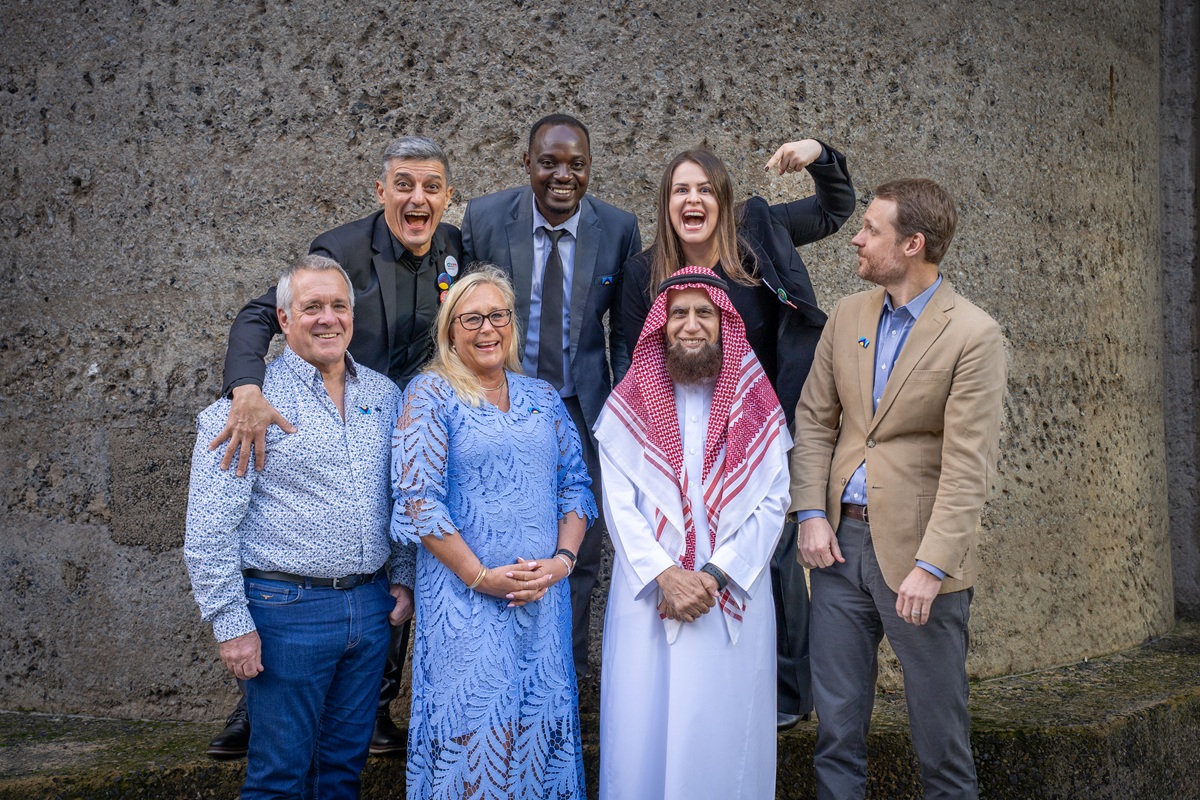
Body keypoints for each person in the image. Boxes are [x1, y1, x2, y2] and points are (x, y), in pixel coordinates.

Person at [205, 136, 461, 758]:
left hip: (411, 423)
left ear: (448, 197)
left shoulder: (456, 248)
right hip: (343, 409)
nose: (417, 198)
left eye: (431, 186)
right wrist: (245, 386)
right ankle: (253, 710)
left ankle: (375, 706)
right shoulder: (338, 251)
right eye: (403, 184)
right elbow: (261, 314)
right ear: (381, 192)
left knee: (393, 558)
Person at [622, 137, 855, 729]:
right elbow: (628, 358)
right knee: (689, 549)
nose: (693, 199)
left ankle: (785, 690)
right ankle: (698, 683)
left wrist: (819, 154)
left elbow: (835, 208)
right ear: (666, 203)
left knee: (772, 554)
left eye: (705, 188)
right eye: (681, 190)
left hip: (761, 427)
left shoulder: (760, 238)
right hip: (678, 439)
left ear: (723, 199)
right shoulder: (643, 272)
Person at [789, 179, 1007, 800]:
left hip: (918, 563)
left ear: (913, 244)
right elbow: (814, 419)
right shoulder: (848, 315)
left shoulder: (973, 335)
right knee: (835, 735)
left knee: (940, 745)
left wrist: (933, 566)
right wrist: (809, 512)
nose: (857, 238)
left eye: (872, 229)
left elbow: (969, 467)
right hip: (834, 552)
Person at [185, 255, 413, 799]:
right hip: (287, 612)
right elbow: (209, 530)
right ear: (284, 319)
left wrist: (401, 575)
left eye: (338, 306)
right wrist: (230, 625)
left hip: (369, 609)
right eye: (311, 307)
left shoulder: (384, 397)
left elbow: (402, 494)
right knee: (278, 777)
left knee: (341, 773)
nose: (327, 318)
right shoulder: (248, 406)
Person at [392, 266, 595, 800]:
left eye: (497, 316)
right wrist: (481, 577)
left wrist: (561, 563)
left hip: (540, 600)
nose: (487, 329)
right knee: (474, 741)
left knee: (536, 737)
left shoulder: (542, 397)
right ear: (450, 330)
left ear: (512, 323)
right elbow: (419, 499)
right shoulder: (430, 393)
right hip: (464, 605)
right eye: (472, 318)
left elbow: (575, 486)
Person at [595, 267, 792, 800]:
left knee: (726, 742)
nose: (690, 324)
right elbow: (618, 504)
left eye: (704, 312)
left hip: (727, 598)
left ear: (724, 323)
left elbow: (773, 501)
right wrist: (668, 575)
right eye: (678, 313)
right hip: (650, 599)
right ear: (660, 324)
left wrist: (712, 575)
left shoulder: (756, 400)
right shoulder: (628, 403)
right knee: (642, 736)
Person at [460, 113, 641, 679]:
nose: (563, 175)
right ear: (528, 165)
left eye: (576, 164)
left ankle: (565, 670)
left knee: (580, 542)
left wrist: (625, 410)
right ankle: (499, 667)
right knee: (495, 529)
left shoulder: (619, 228)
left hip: (578, 409)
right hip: (499, 403)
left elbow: (624, 334)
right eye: (549, 162)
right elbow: (464, 313)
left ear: (589, 168)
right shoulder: (486, 219)